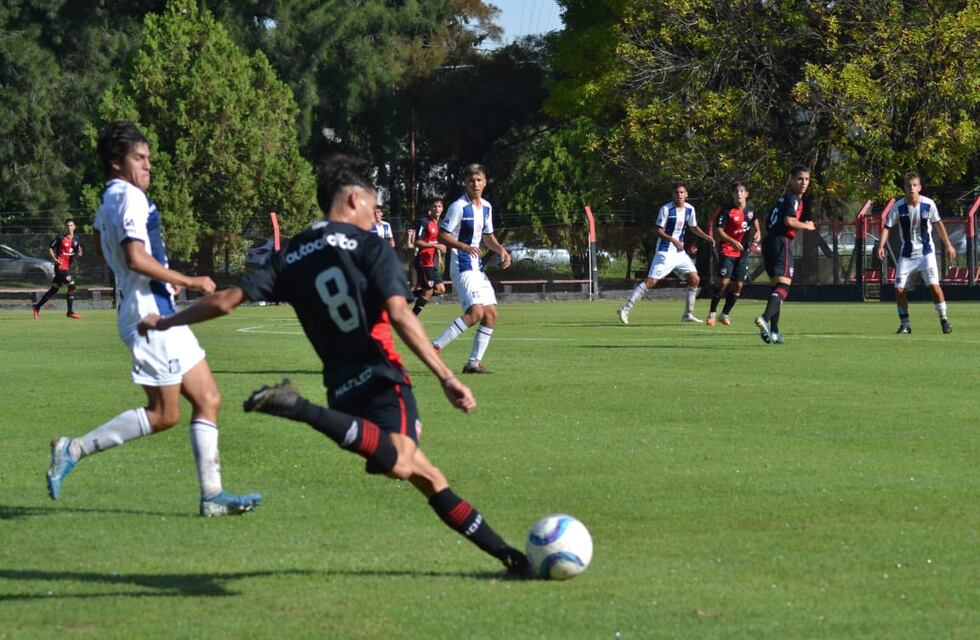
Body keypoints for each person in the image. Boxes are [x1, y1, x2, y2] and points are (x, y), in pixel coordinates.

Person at [137, 153, 530, 576]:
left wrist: (168, 321)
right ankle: (297, 407)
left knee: (420, 473)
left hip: (341, 386)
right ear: (355, 198)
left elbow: (228, 301)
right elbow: (399, 314)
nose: (373, 215)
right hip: (382, 377)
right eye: (372, 205)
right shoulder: (369, 246)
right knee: (404, 462)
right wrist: (447, 377)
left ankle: (509, 558)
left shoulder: (293, 253)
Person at [45, 121, 262, 517]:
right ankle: (72, 448)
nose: (147, 166)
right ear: (116, 163)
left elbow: (100, 242)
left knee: (209, 398)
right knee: (165, 414)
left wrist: (141, 274)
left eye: (148, 159)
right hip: (150, 314)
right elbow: (134, 257)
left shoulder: (109, 197)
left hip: (154, 307)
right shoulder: (129, 197)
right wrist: (186, 278)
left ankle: (212, 497)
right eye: (138, 159)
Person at [432, 164, 511, 374]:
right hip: (462, 265)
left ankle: (473, 363)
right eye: (471, 181)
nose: (475, 184)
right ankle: (434, 348)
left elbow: (487, 237)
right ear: (465, 183)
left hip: (477, 268)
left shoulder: (486, 207)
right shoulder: (458, 206)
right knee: (476, 312)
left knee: (491, 314)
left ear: (485, 182)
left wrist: (501, 250)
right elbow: (443, 234)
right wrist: (464, 246)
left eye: (479, 180)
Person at [617, 182, 715, 324]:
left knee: (695, 279)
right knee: (651, 282)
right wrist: (672, 240)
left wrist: (707, 237)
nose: (679, 195)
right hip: (665, 251)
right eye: (676, 192)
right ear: (673, 195)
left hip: (680, 253)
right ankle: (625, 309)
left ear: (686, 194)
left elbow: (693, 227)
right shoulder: (666, 209)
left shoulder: (690, 209)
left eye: (682, 192)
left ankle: (687, 314)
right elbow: (658, 230)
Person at [876, 172, 955, 334]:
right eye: (908, 186)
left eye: (914, 185)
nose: (911, 188)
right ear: (904, 188)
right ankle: (905, 323)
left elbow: (938, 224)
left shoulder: (929, 205)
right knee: (898, 289)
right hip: (907, 255)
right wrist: (881, 246)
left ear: (919, 187)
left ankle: (944, 319)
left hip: (926, 254)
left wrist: (948, 245)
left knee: (934, 286)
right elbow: (887, 227)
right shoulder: (898, 207)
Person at [754, 165, 817, 344]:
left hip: (769, 242)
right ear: (791, 180)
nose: (804, 183)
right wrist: (807, 226)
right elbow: (788, 220)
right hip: (782, 242)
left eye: (806, 179)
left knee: (776, 288)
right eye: (799, 178)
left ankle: (774, 331)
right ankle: (764, 319)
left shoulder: (782, 199)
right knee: (784, 287)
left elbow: (770, 220)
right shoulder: (793, 198)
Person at [707, 183, 761, 326]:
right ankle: (712, 314)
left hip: (743, 252)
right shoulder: (726, 210)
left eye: (741, 191)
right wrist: (732, 241)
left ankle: (724, 314)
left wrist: (758, 232)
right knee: (724, 281)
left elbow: (754, 219)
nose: (738, 194)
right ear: (732, 194)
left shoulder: (750, 208)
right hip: (727, 250)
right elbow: (719, 231)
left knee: (738, 285)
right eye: (736, 191)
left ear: (746, 194)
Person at [33, 219, 84, 319]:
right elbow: (50, 247)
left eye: (71, 225)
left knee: (54, 289)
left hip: (67, 267)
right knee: (72, 285)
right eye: (67, 226)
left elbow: (77, 252)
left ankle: (37, 306)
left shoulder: (77, 239)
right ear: (65, 227)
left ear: (74, 227)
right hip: (60, 267)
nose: (69, 227)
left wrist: (79, 253)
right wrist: (55, 259)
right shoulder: (60, 238)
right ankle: (70, 312)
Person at [412, 198, 447, 315]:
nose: (436, 209)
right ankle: (412, 317)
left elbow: (435, 242)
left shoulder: (441, 223)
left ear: (442, 209)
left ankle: (405, 295)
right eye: (434, 206)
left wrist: (439, 256)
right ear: (430, 209)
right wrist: (436, 246)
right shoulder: (424, 222)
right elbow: (417, 242)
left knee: (440, 289)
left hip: (432, 262)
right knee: (428, 291)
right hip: (423, 261)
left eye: (439, 206)